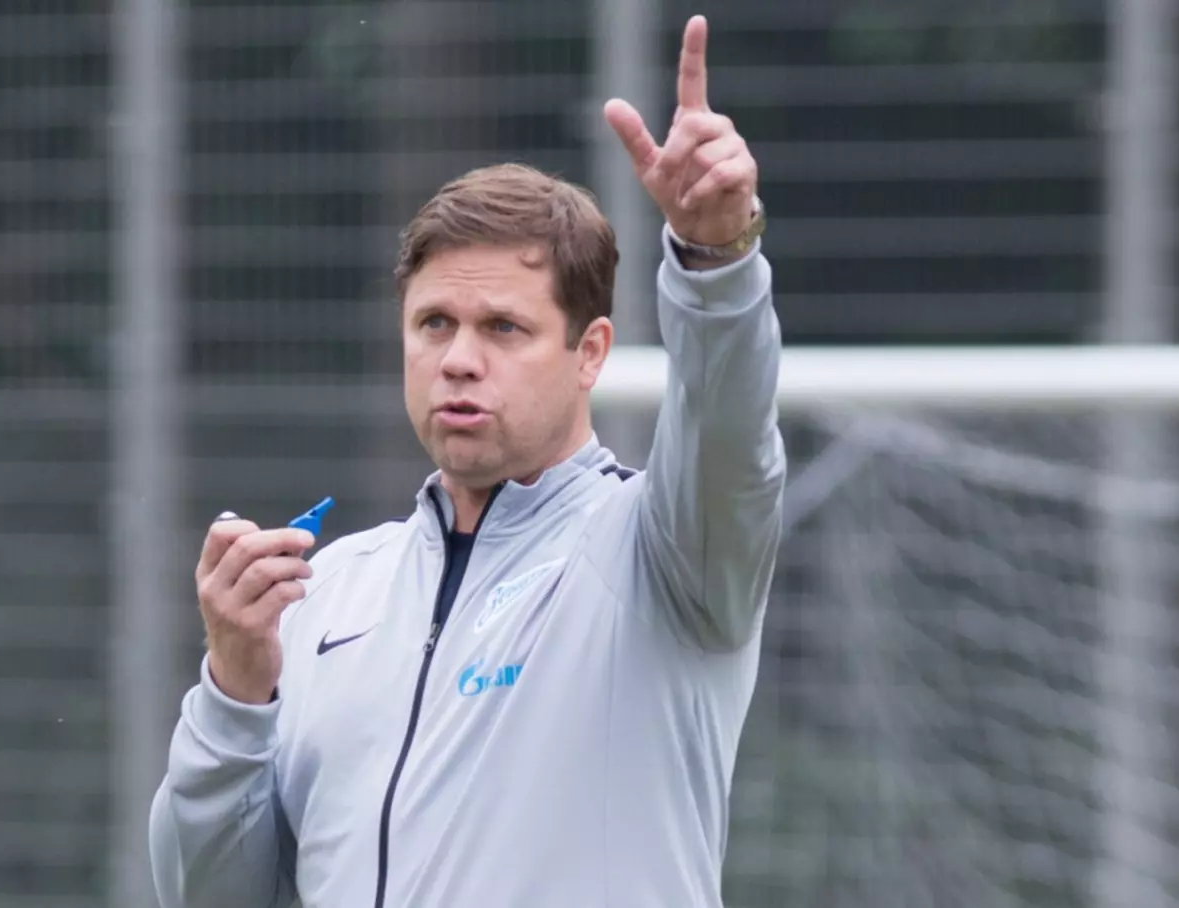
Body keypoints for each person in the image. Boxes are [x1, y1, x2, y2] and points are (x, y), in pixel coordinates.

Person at [149, 14, 785, 908]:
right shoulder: (326, 595)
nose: (458, 359)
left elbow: (728, 434)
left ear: (591, 353)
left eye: (503, 328)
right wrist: (234, 692)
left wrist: (715, 261)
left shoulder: (666, 555)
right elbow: (210, 898)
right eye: (434, 323)